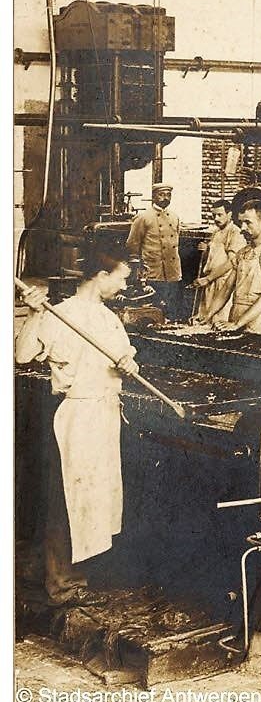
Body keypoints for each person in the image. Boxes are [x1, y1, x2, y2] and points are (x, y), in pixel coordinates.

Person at [16, 245, 139, 607]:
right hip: (78, 417)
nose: (123, 287)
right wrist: (36, 315)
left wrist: (128, 366)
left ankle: (83, 575)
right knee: (68, 499)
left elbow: (124, 359)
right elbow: (22, 355)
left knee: (96, 500)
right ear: (101, 277)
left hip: (105, 415)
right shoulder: (59, 314)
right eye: (121, 279)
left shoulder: (108, 319)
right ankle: (61, 583)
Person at [205, 200, 261, 336]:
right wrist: (207, 316)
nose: (242, 228)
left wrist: (237, 324)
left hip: (258, 325)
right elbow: (226, 289)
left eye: (248, 222)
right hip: (234, 317)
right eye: (241, 222)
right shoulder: (242, 253)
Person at [126, 182, 183, 319]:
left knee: (171, 306)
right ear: (154, 196)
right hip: (152, 270)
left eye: (168, 195)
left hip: (172, 270)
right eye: (161, 195)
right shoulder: (144, 217)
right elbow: (132, 244)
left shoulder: (174, 217)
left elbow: (176, 241)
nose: (165, 198)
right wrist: (138, 270)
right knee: (154, 307)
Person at [189, 198, 246, 324]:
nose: (216, 218)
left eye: (219, 215)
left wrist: (208, 278)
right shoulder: (216, 232)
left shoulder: (235, 232)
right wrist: (205, 250)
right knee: (205, 320)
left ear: (230, 214)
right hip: (210, 283)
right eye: (214, 215)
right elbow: (213, 260)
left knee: (219, 321)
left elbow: (231, 262)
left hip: (223, 284)